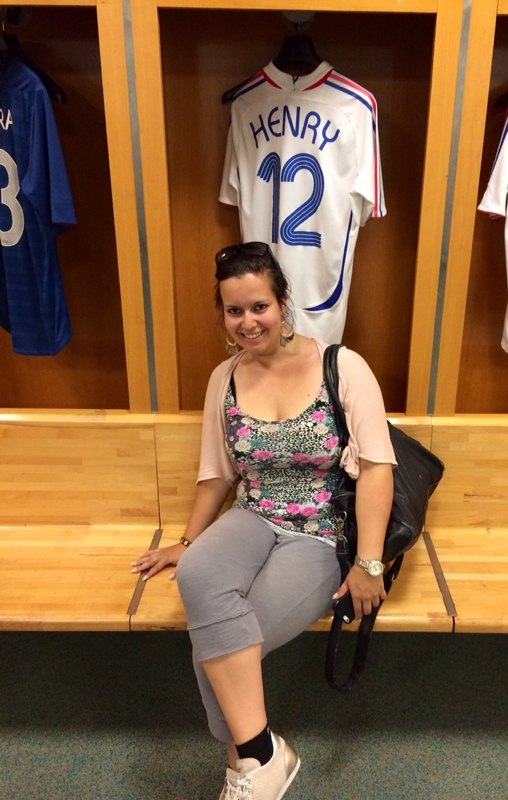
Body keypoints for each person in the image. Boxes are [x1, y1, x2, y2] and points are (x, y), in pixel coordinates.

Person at [130, 242, 395, 800]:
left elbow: (376, 469)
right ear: (223, 317)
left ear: (282, 303)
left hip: (319, 528)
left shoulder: (341, 366)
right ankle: (263, 756)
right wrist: (186, 541)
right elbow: (216, 475)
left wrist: (370, 563)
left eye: (259, 307)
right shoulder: (224, 378)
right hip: (252, 513)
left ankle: (246, 765)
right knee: (200, 574)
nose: (248, 322)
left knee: (219, 645)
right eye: (234, 310)